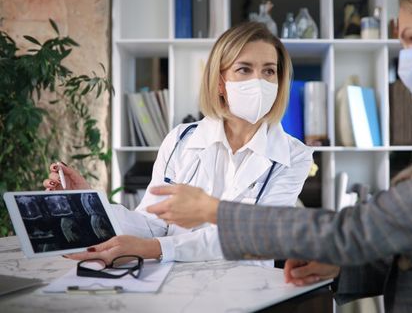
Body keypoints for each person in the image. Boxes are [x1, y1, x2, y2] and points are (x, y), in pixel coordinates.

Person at [145, 0, 412, 311]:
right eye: (244, 70)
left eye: (411, 39)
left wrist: (213, 211)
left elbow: (358, 230)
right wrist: (342, 269)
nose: (403, 56)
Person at [43, 22, 313, 264]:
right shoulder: (181, 140)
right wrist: (91, 203)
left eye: (269, 71)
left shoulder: (294, 156)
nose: (259, 82)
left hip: (246, 289)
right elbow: (151, 222)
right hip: (174, 284)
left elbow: (254, 236)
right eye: (244, 69)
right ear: (220, 82)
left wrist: (153, 249)